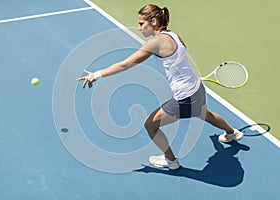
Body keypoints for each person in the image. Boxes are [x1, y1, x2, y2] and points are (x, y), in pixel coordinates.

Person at [76, 4, 243, 170]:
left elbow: (125, 64)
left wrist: (96, 75)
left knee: (150, 125)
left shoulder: (155, 43)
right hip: (196, 88)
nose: (140, 28)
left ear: (153, 21)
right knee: (203, 114)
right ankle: (232, 133)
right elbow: (180, 62)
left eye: (142, 24)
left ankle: (171, 161)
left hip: (184, 97)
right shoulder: (175, 36)